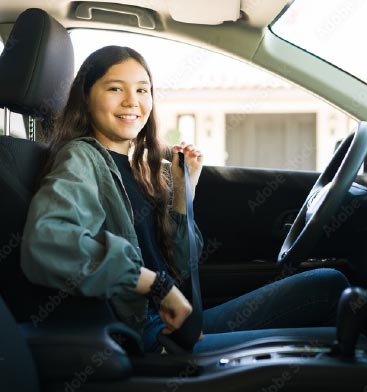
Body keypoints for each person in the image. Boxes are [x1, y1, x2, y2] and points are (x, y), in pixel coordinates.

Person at [21, 45, 349, 354]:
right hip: (148, 338)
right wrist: (156, 286)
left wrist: (183, 192)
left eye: (142, 89)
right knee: (345, 343)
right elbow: (48, 242)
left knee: (329, 284)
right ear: (87, 98)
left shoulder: (139, 166)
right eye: (114, 88)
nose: (132, 101)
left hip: (177, 323)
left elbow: (179, 266)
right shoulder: (82, 159)